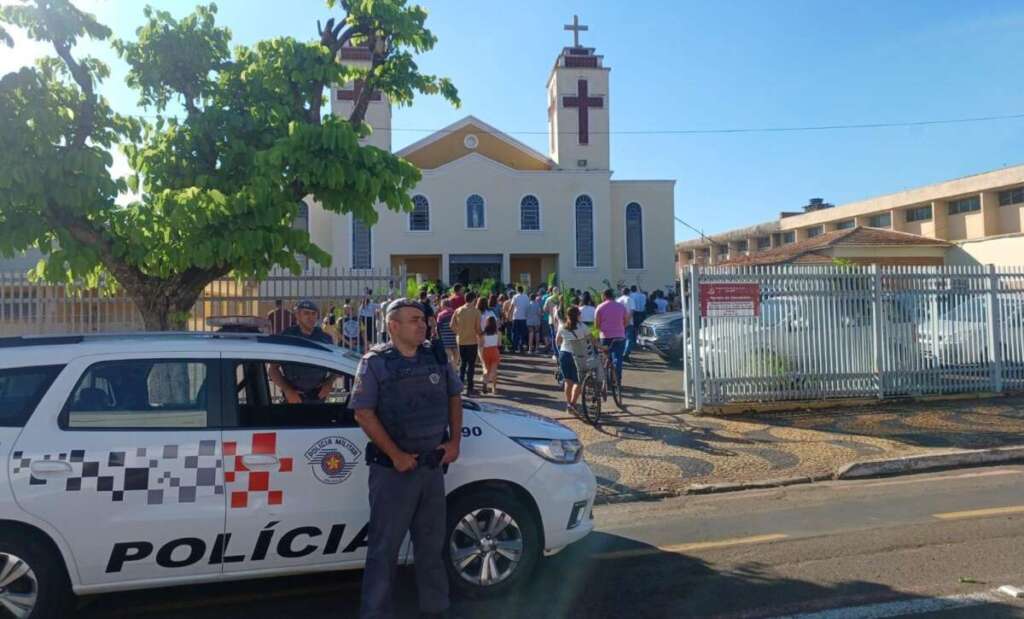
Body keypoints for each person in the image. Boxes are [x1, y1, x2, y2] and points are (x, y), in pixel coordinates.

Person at [351, 298, 463, 619]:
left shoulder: (435, 357)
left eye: (423, 320)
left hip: (431, 469)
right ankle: (375, 612)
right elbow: (362, 412)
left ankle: (436, 607)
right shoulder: (375, 363)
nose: (423, 325)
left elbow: (454, 396)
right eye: (414, 320)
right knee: (383, 550)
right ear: (393, 326)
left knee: (431, 548)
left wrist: (454, 442)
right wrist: (396, 454)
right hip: (393, 473)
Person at [268, 299, 337, 402]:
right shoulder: (287, 337)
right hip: (293, 397)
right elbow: (272, 369)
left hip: (318, 396)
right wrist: (287, 390)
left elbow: (337, 366)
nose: (311, 317)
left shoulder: (325, 338)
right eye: (306, 313)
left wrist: (329, 383)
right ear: (297, 315)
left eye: (314, 314)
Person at [556, 305, 591, 414]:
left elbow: (557, 341)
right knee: (579, 381)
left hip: (564, 354)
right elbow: (592, 339)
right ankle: (572, 404)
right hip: (578, 355)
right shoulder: (582, 327)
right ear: (578, 316)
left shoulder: (562, 327)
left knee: (567, 381)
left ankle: (568, 404)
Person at [451, 291, 482, 396]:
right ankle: (470, 388)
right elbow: (478, 328)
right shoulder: (476, 311)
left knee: (462, 364)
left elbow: (451, 325)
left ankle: (459, 387)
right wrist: (482, 335)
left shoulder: (458, 310)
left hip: (461, 340)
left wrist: (458, 332)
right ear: (473, 299)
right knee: (471, 365)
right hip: (472, 340)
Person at [596, 288, 629, 383]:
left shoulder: (600, 307)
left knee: (606, 357)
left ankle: (605, 379)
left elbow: (597, 325)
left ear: (604, 296)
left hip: (605, 337)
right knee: (618, 357)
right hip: (619, 336)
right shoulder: (621, 307)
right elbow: (626, 322)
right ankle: (617, 377)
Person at [435, 298, 459, 370]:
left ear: (444, 305)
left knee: (449, 356)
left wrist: (438, 336)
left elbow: (438, 327)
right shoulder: (455, 313)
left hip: (445, 338)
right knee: (456, 355)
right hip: (455, 337)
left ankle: (453, 370)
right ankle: (454, 368)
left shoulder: (441, 315)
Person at [480, 315, 502, 395]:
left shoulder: (483, 333)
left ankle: (485, 383)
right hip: (494, 351)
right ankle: (494, 388)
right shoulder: (498, 332)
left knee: (486, 369)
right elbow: (499, 344)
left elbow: (481, 344)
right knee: (494, 371)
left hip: (486, 351)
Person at [618, 287, 636, 362]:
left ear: (622, 292)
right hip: (628, 322)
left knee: (620, 339)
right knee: (629, 339)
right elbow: (632, 311)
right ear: (629, 292)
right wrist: (627, 321)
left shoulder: (617, 300)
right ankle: (625, 354)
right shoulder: (630, 299)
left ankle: (621, 353)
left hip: (619, 322)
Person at [511, 285, 530, 353]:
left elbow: (512, 306)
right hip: (523, 317)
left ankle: (514, 347)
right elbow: (528, 307)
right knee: (522, 333)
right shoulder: (526, 297)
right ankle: (521, 347)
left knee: (515, 333)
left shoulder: (515, 296)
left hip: (516, 316)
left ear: (517, 290)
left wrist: (509, 314)